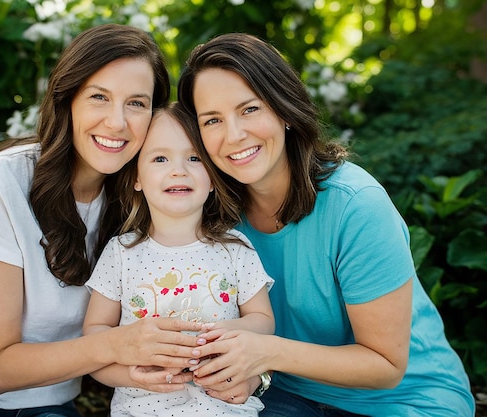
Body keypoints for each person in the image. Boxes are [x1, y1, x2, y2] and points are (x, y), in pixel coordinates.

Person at [0, 24, 205, 417]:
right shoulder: (0, 182)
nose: (117, 122)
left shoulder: (146, 197)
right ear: (67, 99)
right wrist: (118, 344)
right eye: (98, 97)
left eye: (137, 103)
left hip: (48, 401)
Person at [176, 33, 475, 417]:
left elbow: (386, 366)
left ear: (283, 109)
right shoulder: (211, 213)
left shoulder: (355, 206)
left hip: (404, 401)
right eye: (212, 120)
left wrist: (265, 353)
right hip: (286, 393)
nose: (233, 134)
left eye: (249, 109)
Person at [82, 102, 275, 416]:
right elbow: (93, 342)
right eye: (160, 158)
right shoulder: (121, 253)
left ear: (213, 177)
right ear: (137, 177)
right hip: (142, 410)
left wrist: (225, 334)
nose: (178, 170)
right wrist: (131, 375)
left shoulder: (236, 247)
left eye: (194, 158)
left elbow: (264, 322)